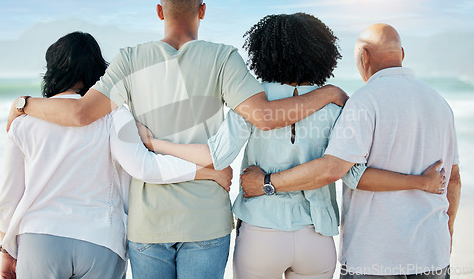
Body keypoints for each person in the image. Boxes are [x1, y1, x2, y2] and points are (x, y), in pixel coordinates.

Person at [5, 0, 349, 278]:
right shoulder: (222, 57)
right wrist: (329, 93)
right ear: (202, 10)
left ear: (159, 11)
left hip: (148, 222)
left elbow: (80, 115)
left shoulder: (129, 59)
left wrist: (24, 105)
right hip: (206, 218)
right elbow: (264, 116)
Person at [136, 14, 446, 279]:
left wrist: (154, 142)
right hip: (317, 236)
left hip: (261, 232)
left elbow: (217, 156)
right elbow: (354, 176)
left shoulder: (253, 101)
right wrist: (419, 182)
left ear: (264, 52)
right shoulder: (337, 106)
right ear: (322, 54)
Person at [0, 32, 231, 279]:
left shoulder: (24, 122)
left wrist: (7, 250)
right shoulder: (114, 115)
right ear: (99, 71)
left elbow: (8, 198)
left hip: (40, 238)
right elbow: (143, 167)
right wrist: (203, 172)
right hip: (100, 241)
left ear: (52, 71)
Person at [240, 23, 461, 279]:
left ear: (363, 56)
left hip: (375, 257)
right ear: (401, 54)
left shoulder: (365, 101)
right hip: (432, 252)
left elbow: (333, 170)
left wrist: (266, 183)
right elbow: (453, 179)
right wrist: (448, 233)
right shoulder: (440, 103)